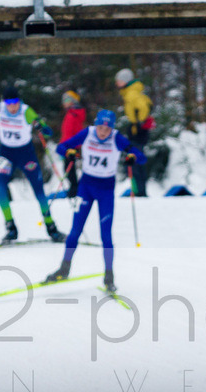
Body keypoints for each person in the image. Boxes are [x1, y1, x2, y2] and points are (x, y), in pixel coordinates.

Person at [45, 109, 146, 293]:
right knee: (75, 230)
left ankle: (109, 276)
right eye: (100, 127)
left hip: (106, 191)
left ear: (112, 128)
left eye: (107, 129)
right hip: (86, 187)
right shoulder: (88, 133)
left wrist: (132, 157)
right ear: (96, 125)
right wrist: (69, 152)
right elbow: (61, 147)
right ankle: (64, 268)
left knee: (106, 235)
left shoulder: (116, 138)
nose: (103, 132)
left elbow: (140, 156)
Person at [0, 86, 65, 244]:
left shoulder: (25, 111)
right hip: (6, 154)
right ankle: (11, 228)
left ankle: (51, 227)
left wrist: (41, 127)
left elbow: (47, 131)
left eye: (15, 102)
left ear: (20, 101)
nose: (12, 106)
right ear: (4, 102)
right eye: (9, 102)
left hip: (26, 154)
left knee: (39, 191)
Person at [114, 68, 152, 197]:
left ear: (125, 81)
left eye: (118, 81)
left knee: (134, 159)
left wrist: (139, 123)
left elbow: (143, 107)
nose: (117, 83)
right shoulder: (130, 92)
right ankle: (140, 190)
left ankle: (139, 191)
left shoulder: (132, 93)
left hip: (138, 130)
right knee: (136, 159)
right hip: (137, 129)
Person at [59, 90, 87, 199]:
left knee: (69, 168)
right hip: (68, 145)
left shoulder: (73, 114)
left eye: (67, 100)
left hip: (70, 146)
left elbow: (72, 132)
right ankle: (74, 188)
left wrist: (68, 145)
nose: (64, 103)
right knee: (69, 168)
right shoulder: (71, 113)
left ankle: (74, 189)